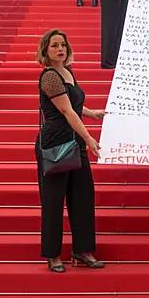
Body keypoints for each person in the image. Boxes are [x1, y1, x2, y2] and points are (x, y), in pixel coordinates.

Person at [35, 29, 105, 272]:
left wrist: (91, 113)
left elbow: (73, 104)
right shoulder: (50, 76)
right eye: (54, 45)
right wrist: (89, 138)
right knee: (53, 200)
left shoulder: (68, 72)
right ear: (46, 50)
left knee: (83, 196)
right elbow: (64, 111)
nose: (60, 49)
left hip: (74, 138)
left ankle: (82, 250)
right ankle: (53, 255)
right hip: (56, 141)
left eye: (63, 44)